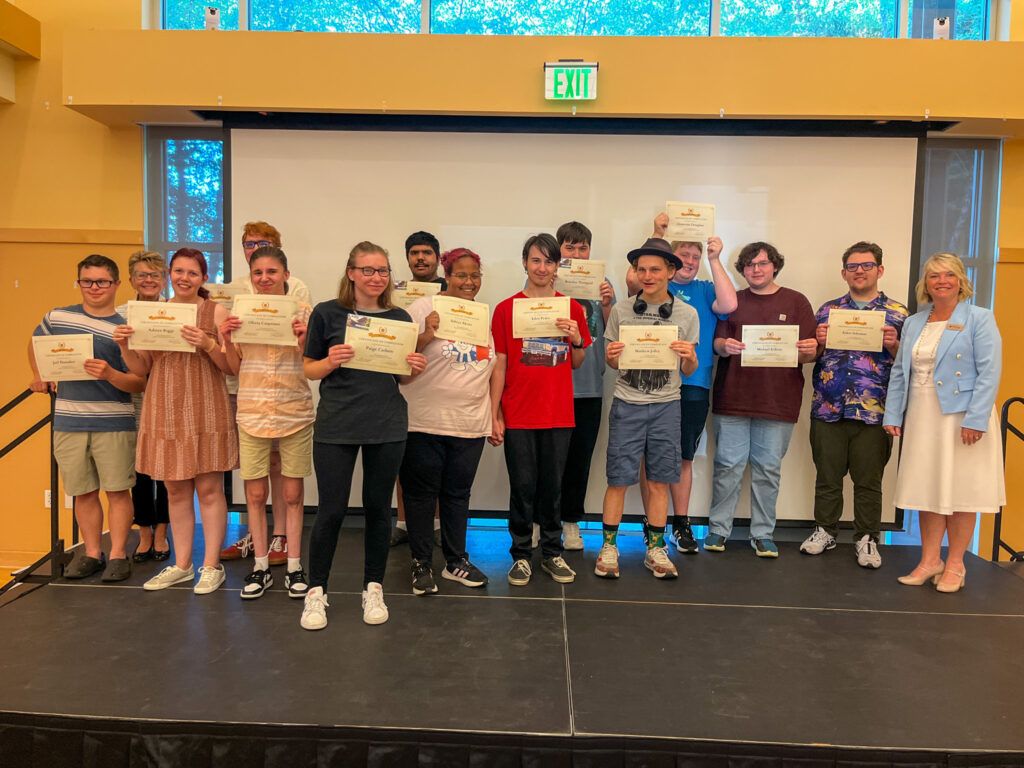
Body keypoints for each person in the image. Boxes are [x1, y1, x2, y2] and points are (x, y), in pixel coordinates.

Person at [300, 241, 427, 629]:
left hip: (386, 424)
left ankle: (373, 587)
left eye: (383, 270)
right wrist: (329, 361)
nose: (376, 277)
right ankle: (316, 592)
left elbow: (402, 378)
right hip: (337, 423)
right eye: (368, 270)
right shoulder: (327, 313)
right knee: (331, 511)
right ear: (351, 272)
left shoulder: (400, 316)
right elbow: (309, 369)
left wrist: (415, 367)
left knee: (377, 509)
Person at [115, 248, 238, 595]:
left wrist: (209, 343)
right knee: (174, 489)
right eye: (178, 271)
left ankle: (211, 565)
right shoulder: (156, 312)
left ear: (204, 277)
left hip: (206, 405)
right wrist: (125, 347)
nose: (184, 278)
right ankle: (182, 564)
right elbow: (142, 368)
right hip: (164, 405)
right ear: (170, 273)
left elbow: (232, 367)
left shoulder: (216, 311)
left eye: (192, 273)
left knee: (210, 489)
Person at [883, 253, 1004, 593]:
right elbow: (900, 372)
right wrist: (893, 413)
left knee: (961, 490)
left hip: (963, 417)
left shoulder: (979, 318)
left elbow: (989, 372)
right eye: (934, 275)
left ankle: (955, 564)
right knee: (927, 488)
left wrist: (976, 419)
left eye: (949, 275)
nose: (941, 281)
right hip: (922, 415)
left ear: (961, 280)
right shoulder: (914, 323)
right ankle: (930, 560)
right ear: (926, 283)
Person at [29, 254, 145, 582]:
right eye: (87, 281)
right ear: (78, 282)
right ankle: (92, 553)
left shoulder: (124, 327)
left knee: (119, 490)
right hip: (69, 419)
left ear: (117, 284)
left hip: (115, 421)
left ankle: (120, 554)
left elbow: (139, 381)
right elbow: (34, 344)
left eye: (102, 281)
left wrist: (109, 374)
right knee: (82, 492)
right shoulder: (58, 317)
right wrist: (39, 373)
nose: (94, 288)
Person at [632, 214, 738, 553]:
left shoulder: (706, 290)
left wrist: (713, 258)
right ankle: (653, 523)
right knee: (651, 455)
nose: (690, 262)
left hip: (693, 383)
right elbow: (632, 279)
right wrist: (658, 233)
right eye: (684, 256)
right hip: (652, 381)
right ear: (671, 262)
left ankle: (681, 523)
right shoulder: (653, 286)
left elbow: (730, 304)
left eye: (695, 257)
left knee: (682, 457)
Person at [491, 233, 592, 586]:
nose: (542, 267)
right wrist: (494, 413)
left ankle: (552, 553)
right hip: (518, 410)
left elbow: (577, 362)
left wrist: (576, 338)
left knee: (553, 487)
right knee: (522, 485)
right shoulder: (506, 309)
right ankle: (520, 555)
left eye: (549, 261)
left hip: (558, 412)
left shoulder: (571, 308)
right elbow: (500, 363)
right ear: (525, 262)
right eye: (536, 260)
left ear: (557, 267)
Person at [707, 242, 817, 557]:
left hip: (778, 401)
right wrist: (722, 346)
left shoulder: (796, 301)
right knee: (727, 466)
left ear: (775, 266)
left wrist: (809, 351)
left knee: (768, 469)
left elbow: (810, 351)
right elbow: (716, 343)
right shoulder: (731, 300)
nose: (757, 269)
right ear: (742, 270)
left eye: (763, 263)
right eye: (750, 264)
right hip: (733, 398)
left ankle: (763, 534)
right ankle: (717, 530)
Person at [596, 238, 698, 580]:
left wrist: (690, 358)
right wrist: (611, 359)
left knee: (659, 480)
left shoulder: (688, 314)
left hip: (667, 406)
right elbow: (614, 364)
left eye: (655, 269)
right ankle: (609, 547)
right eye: (642, 269)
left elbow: (687, 371)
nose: (648, 275)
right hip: (628, 403)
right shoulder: (623, 310)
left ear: (671, 271)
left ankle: (655, 548)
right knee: (618, 478)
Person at [802, 242, 908, 568]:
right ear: (844, 272)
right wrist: (817, 343)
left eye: (867, 265)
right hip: (828, 408)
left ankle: (866, 539)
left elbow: (911, 365)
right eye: (853, 266)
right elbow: (811, 356)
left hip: (875, 412)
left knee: (868, 482)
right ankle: (825, 531)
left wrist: (895, 346)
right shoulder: (827, 311)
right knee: (828, 477)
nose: (859, 270)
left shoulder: (899, 314)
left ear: (880, 270)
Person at [220, 246, 314, 600]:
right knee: (256, 494)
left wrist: (305, 338)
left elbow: (313, 365)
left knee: (292, 495)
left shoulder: (305, 313)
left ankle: (294, 565)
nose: (264, 279)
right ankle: (260, 566)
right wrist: (227, 340)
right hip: (252, 412)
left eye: (272, 272)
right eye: (258, 273)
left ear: (286, 275)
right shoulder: (240, 313)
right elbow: (233, 366)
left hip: (294, 411)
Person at [399, 247, 494, 594]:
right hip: (424, 420)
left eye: (474, 275)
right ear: (447, 275)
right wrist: (425, 335)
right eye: (461, 274)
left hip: (470, 422)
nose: (468, 282)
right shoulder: (423, 308)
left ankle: (456, 563)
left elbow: (493, 365)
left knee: (458, 495)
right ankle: (421, 564)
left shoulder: (481, 315)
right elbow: (399, 360)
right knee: (421, 496)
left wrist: (493, 414)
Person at [556, 222, 615, 552]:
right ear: (559, 249)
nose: (577, 254)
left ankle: (571, 522)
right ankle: (541, 520)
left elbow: (612, 337)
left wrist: (607, 305)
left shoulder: (604, 286)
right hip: (552, 385)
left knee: (579, 460)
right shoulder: (544, 280)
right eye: (569, 247)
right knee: (548, 461)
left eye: (582, 248)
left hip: (590, 386)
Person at [114, 250, 171, 563]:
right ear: (132, 279)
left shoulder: (175, 311)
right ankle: (145, 531)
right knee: (139, 472)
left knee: (166, 470)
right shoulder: (120, 314)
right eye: (142, 275)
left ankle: (162, 531)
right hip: (133, 400)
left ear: (163, 280)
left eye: (155, 275)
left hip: (167, 398)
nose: (149, 280)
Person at [391, 229, 447, 546]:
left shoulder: (450, 292)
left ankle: (436, 526)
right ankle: (402, 523)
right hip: (404, 381)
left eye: (427, 252)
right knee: (405, 461)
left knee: (434, 463)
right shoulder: (394, 292)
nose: (421, 258)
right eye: (414, 253)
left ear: (437, 258)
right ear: (408, 258)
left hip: (438, 384)